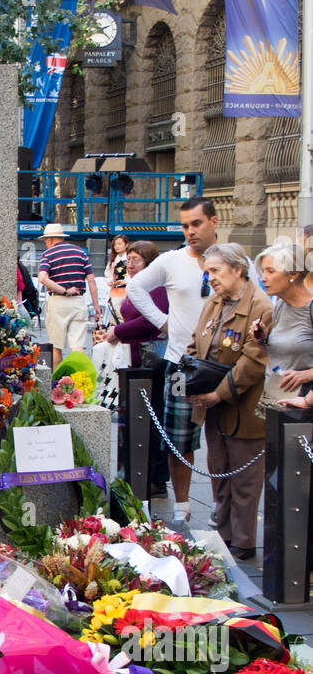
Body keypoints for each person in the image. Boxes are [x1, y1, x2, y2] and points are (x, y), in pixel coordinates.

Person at [125, 198, 219, 524]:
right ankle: (182, 505)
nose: (191, 231)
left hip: (223, 365)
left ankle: (222, 507)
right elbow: (135, 287)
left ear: (214, 222)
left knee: (223, 441)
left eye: (197, 223)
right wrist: (161, 321)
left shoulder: (232, 259)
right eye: (185, 225)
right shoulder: (171, 260)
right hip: (180, 364)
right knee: (179, 436)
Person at [186, 243, 271, 560]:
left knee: (245, 479)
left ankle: (244, 541)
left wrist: (216, 394)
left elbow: (252, 362)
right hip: (212, 406)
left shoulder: (261, 307)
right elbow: (197, 342)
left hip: (244, 408)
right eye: (208, 272)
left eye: (216, 271)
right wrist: (189, 379)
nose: (211, 279)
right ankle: (223, 535)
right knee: (219, 469)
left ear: (238, 269)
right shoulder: (214, 303)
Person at [104, 239, 170, 497]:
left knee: (153, 418)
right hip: (135, 357)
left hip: (153, 358)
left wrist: (118, 331)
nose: (130, 264)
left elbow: (150, 322)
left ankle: (156, 477)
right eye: (128, 259)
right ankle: (136, 470)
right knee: (137, 417)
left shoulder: (158, 288)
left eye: (136, 260)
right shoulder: (137, 284)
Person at [252, 242, 313, 404]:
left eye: (271, 271)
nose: (263, 278)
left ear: (293, 274)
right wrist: (262, 339)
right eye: (263, 271)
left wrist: (307, 374)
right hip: (276, 399)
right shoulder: (279, 303)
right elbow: (283, 351)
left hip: (303, 405)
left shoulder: (310, 308)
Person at [37, 223, 100, 370]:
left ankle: (56, 382)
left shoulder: (48, 254)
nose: (46, 244)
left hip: (58, 302)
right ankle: (79, 381)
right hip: (78, 302)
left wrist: (63, 290)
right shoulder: (80, 252)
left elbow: (42, 278)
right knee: (78, 347)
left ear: (51, 239)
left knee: (56, 346)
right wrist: (96, 306)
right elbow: (91, 279)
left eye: (46, 240)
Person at [104, 234, 129, 321]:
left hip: (128, 288)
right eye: (115, 244)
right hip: (116, 288)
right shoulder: (113, 259)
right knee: (116, 310)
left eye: (119, 244)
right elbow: (108, 273)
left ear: (126, 245)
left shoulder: (130, 258)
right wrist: (110, 281)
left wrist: (125, 281)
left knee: (126, 311)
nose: (117, 246)